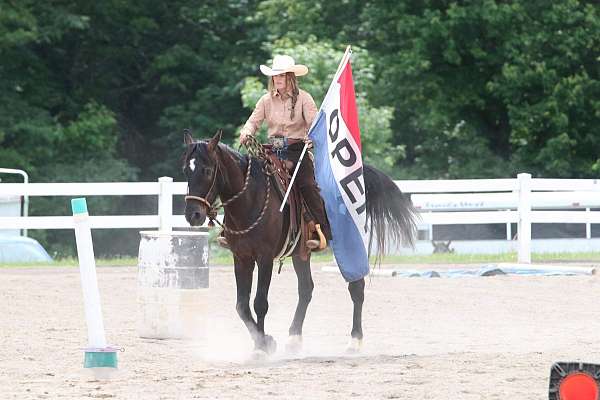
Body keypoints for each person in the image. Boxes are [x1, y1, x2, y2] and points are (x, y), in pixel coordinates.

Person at [234, 55, 332, 249]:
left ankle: (322, 231)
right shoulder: (265, 100)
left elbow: (314, 125)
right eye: (275, 77)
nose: (277, 80)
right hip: (273, 150)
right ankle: (235, 228)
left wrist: (311, 138)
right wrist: (246, 132)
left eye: (281, 76)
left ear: (290, 77)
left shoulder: (304, 98)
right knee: (248, 179)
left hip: (298, 151)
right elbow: (253, 121)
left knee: (308, 185)